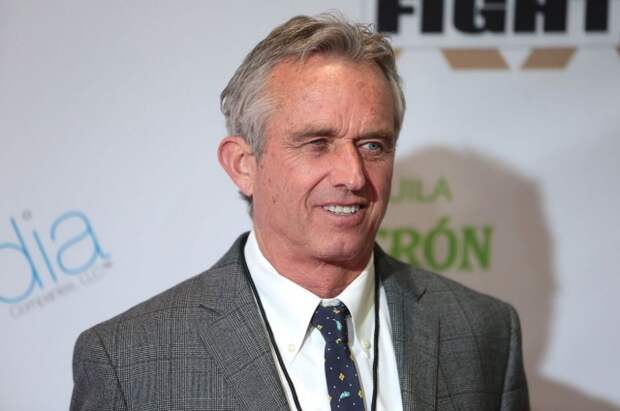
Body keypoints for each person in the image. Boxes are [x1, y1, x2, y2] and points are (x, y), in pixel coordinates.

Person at [71, 13, 529, 411]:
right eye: (317, 143)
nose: (353, 175)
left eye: (373, 145)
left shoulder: (483, 332)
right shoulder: (128, 361)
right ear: (243, 164)